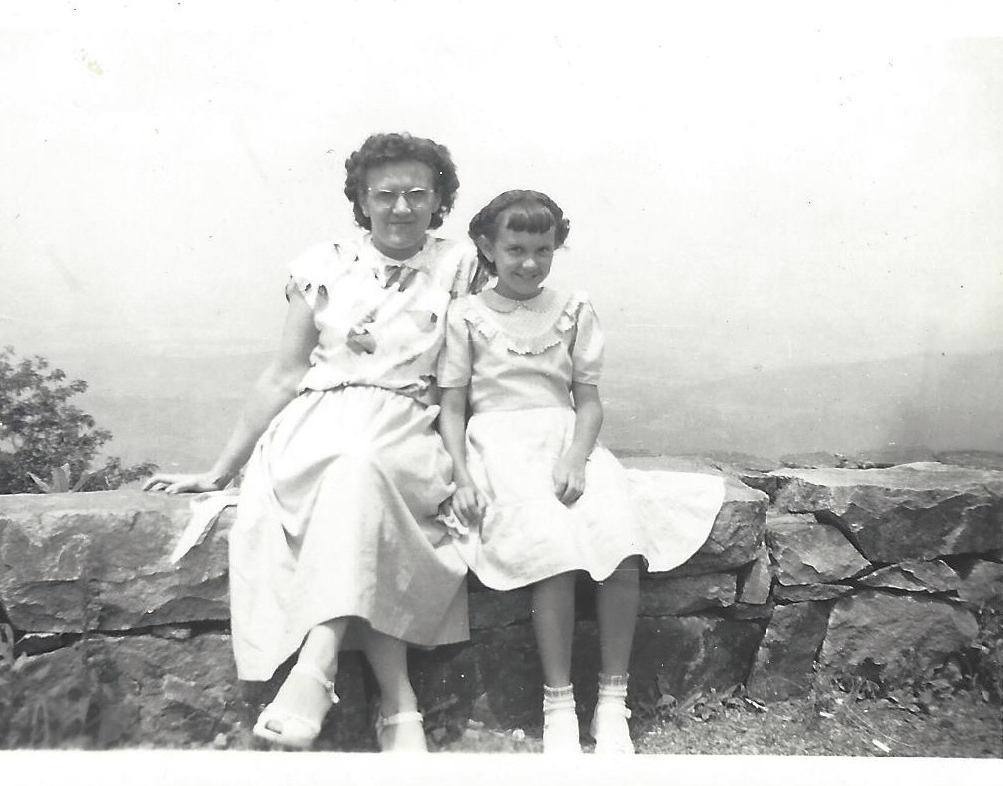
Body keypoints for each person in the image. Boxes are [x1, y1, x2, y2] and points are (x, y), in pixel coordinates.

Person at [144, 132, 482, 752]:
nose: (402, 208)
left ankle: (316, 667)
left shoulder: (460, 264)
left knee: (363, 467)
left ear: (439, 200)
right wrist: (220, 470)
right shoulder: (319, 265)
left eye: (418, 194)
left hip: (407, 422)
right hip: (316, 424)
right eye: (385, 195)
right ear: (361, 198)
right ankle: (397, 703)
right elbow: (284, 372)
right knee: (354, 465)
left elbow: (481, 361)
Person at [436, 190, 725, 754]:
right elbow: (452, 407)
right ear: (487, 249)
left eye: (542, 249)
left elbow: (588, 401)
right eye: (515, 248)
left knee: (618, 543)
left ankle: (613, 702)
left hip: (567, 442)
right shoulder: (466, 316)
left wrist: (575, 456)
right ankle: (559, 702)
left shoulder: (573, 308)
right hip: (498, 446)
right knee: (553, 553)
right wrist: (463, 477)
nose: (528, 262)